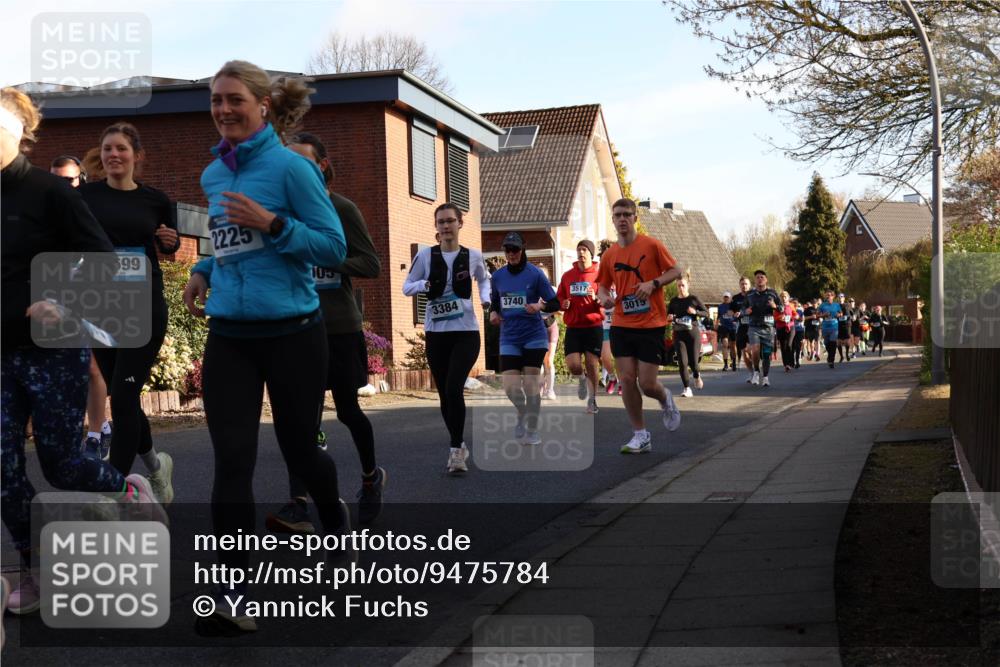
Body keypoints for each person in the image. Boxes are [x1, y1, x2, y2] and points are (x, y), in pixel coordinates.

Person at [181, 61, 347, 633]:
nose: (223, 110)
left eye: (234, 100)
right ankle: (232, 595)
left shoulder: (292, 170)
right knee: (233, 461)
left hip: (294, 334)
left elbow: (331, 246)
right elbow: (230, 244)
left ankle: (332, 513)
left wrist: (274, 223)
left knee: (301, 452)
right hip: (230, 335)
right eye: (216, 101)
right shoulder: (212, 175)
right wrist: (203, 268)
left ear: (263, 106)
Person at [2, 87, 166, 615]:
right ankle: (35, 565)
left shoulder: (53, 193)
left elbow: (103, 258)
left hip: (52, 347)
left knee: (62, 464)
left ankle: (127, 491)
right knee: (2, 469)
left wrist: (62, 301)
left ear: (20, 134)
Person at [266, 132, 384, 534]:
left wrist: (326, 256)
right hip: (297, 326)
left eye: (303, 161)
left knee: (348, 411)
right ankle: (298, 502)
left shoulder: (341, 208)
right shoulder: (281, 213)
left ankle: (370, 477)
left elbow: (370, 264)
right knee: (302, 418)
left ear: (322, 166)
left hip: (338, 327)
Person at [80, 123, 177, 502]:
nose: (113, 155)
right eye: (107, 149)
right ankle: (155, 466)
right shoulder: (84, 197)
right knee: (127, 398)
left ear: (136, 155)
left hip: (143, 306)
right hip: (101, 307)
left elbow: (170, 244)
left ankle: (113, 492)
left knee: (121, 398)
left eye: (121, 148)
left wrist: (171, 240)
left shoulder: (156, 199)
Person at [403, 203, 491, 474]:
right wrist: (424, 285)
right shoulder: (426, 256)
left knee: (454, 387)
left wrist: (486, 299)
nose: (445, 226)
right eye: (440, 222)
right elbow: (407, 286)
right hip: (436, 333)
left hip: (466, 332)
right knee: (444, 393)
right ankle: (459, 442)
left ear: (460, 223)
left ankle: (455, 450)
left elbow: (485, 279)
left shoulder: (474, 256)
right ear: (436, 227)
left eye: (450, 221)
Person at [596, 198, 682, 454]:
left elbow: (676, 271)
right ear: (613, 220)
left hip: (651, 323)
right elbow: (601, 285)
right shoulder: (610, 254)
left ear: (635, 218)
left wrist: (653, 284)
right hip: (622, 323)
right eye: (617, 215)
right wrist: (604, 298)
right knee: (625, 379)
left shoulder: (651, 245)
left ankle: (666, 398)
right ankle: (640, 434)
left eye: (627, 215)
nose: (622, 219)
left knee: (647, 384)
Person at [49, 156, 113, 457]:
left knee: (89, 365)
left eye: (69, 180)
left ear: (81, 181)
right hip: (52, 296)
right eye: (56, 180)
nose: (62, 187)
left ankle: (96, 432)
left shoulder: (91, 210)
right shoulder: (43, 210)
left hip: (89, 296)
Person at [489, 232, 560, 447]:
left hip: (533, 335)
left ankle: (532, 429)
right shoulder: (498, 276)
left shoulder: (535, 274)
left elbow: (555, 303)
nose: (511, 254)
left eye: (515, 249)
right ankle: (523, 413)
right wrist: (492, 313)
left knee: (531, 384)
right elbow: (495, 302)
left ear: (523, 249)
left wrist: (540, 306)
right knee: (510, 387)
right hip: (509, 335)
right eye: (507, 250)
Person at [556, 239, 603, 414]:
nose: (581, 253)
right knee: (573, 365)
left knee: (592, 364)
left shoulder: (600, 275)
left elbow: (607, 299)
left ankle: (592, 400)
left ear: (591, 253)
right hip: (574, 327)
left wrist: (597, 298)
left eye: (584, 250)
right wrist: (563, 303)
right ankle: (582, 379)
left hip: (593, 326)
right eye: (579, 250)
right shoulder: (568, 276)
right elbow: (559, 298)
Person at [667, 277, 708, 398]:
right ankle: (686, 388)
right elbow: (669, 316)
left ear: (688, 286)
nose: (681, 288)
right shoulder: (674, 301)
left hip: (693, 335)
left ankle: (696, 374)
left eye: (683, 285)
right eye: (678, 285)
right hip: (679, 334)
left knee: (694, 363)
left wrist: (695, 312)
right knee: (682, 363)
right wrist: (669, 318)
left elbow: (706, 313)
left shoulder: (693, 299)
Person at [742, 270, 781, 387]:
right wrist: (745, 311)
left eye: (762, 277)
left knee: (766, 354)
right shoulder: (750, 294)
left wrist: (775, 306)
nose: (760, 279)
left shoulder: (772, 293)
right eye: (758, 277)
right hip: (754, 326)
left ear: (766, 280)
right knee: (755, 349)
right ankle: (756, 372)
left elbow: (782, 308)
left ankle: (765, 377)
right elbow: (742, 309)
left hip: (768, 328)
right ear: (755, 280)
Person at [731, 276, 754, 382]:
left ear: (749, 285)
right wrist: (734, 314)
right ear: (739, 285)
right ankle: (751, 373)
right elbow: (730, 311)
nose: (744, 286)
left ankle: (757, 370)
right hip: (742, 327)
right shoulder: (735, 298)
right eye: (742, 284)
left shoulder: (755, 296)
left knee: (751, 350)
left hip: (753, 326)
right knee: (744, 351)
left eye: (746, 284)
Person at [818, 290, 844, 368]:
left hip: (834, 326)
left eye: (830, 295)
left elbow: (841, 313)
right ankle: (830, 355)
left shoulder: (836, 305)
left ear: (833, 296)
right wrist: (823, 315)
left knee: (833, 343)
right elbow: (817, 315)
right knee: (827, 344)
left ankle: (831, 360)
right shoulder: (822, 305)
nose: (829, 296)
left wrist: (838, 314)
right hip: (825, 326)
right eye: (827, 295)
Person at [540, 309, 560, 401]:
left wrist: (551, 310)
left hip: (551, 327)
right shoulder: (531, 295)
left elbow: (561, 311)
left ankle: (550, 390)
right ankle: (541, 386)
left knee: (549, 361)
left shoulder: (550, 295)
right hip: (537, 329)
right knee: (539, 363)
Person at [775, 290, 796, 373]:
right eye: (782, 297)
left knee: (789, 345)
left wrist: (796, 316)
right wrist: (780, 318)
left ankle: (791, 362)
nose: (783, 298)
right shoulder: (777, 307)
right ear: (780, 298)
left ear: (788, 298)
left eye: (785, 297)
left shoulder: (791, 305)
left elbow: (794, 314)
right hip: (781, 327)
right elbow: (775, 317)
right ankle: (786, 364)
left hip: (790, 327)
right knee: (783, 347)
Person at [715, 291, 737, 371]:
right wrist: (716, 324)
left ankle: (734, 363)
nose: (726, 298)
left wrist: (735, 318)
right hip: (724, 327)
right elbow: (718, 316)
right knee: (725, 344)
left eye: (727, 297)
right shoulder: (720, 306)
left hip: (733, 327)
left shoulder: (733, 305)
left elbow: (738, 314)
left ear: (730, 298)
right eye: (725, 297)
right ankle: (725, 364)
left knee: (732, 346)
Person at [803, 297, 821, 362]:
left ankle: (817, 354)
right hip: (809, 328)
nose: (814, 304)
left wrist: (820, 319)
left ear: (817, 303)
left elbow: (822, 316)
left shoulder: (819, 309)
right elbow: (804, 318)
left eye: (815, 303)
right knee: (811, 342)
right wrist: (811, 317)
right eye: (813, 303)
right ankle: (812, 352)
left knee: (817, 340)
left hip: (817, 327)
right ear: (811, 303)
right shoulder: (808, 309)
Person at [836, 294, 852, 362]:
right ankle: (841, 356)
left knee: (847, 342)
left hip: (846, 325)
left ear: (844, 298)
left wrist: (851, 317)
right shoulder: (836, 306)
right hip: (838, 325)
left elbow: (852, 313)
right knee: (838, 342)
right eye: (839, 297)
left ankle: (847, 354)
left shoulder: (848, 305)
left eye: (841, 297)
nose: (840, 298)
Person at [791, 299, 806, 368]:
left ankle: (797, 361)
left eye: (796, 303)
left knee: (798, 346)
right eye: (793, 303)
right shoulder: (789, 311)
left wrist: (796, 318)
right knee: (792, 347)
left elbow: (802, 319)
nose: (795, 305)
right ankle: (792, 361)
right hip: (791, 330)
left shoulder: (800, 311)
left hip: (799, 330)